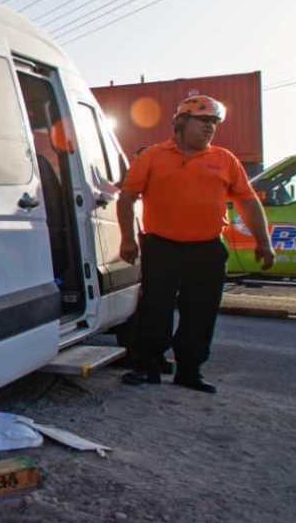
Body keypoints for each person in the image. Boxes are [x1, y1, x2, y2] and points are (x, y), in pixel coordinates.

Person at [116, 95, 275, 393]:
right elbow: (127, 198)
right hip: (162, 248)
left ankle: (189, 371)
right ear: (181, 122)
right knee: (155, 309)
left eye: (213, 123)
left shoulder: (225, 159)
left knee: (201, 312)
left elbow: (247, 201)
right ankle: (148, 366)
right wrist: (127, 239)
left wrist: (263, 241)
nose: (210, 128)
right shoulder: (152, 156)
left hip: (207, 250)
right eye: (204, 121)